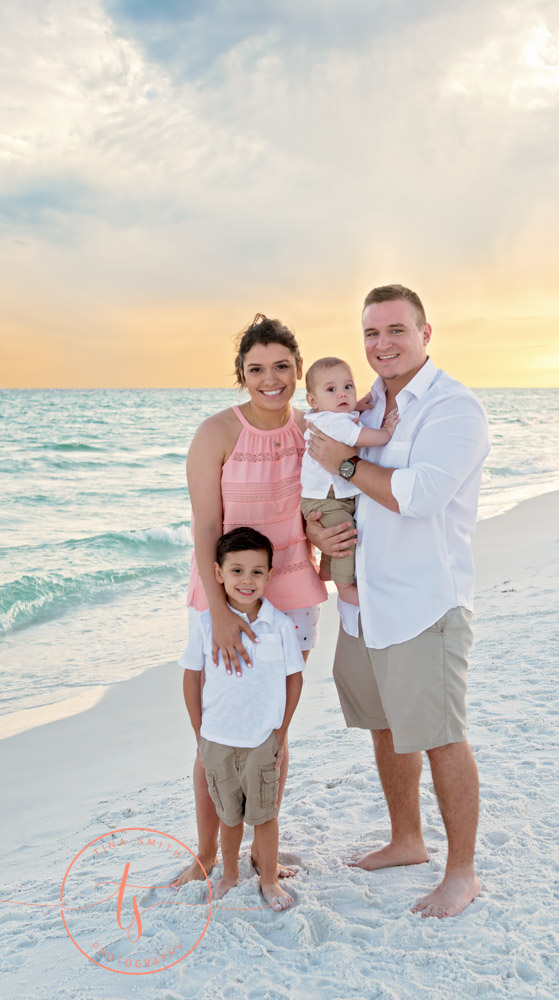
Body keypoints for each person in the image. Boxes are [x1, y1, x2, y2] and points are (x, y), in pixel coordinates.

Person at [306, 284, 490, 919]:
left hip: (422, 603)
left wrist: (347, 464)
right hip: (364, 603)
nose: (382, 344)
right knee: (386, 727)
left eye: (395, 331)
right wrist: (317, 530)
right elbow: (331, 487)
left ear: (425, 333)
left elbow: (420, 496)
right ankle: (407, 840)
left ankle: (461, 873)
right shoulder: (364, 405)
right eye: (370, 334)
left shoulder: (453, 409)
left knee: (440, 735)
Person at [174, 314, 327, 886]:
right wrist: (218, 611)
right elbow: (206, 524)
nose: (271, 379)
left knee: (269, 731)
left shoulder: (313, 431)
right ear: (240, 374)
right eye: (256, 368)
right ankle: (207, 854)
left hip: (293, 591)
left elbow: (330, 503)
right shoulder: (216, 432)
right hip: (227, 593)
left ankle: (264, 852)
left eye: (282, 367)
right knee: (218, 730)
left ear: (298, 370)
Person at [181, 527, 303, 911]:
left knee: (265, 814)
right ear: (218, 573)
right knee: (229, 815)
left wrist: (281, 732)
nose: (246, 581)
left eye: (256, 572)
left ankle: (268, 879)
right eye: (236, 571)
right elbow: (190, 677)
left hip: (262, 740)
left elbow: (294, 679)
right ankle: (229, 873)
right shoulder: (205, 624)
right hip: (216, 740)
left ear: (269, 575)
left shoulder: (280, 625)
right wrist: (199, 731)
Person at [300, 357, 399, 604]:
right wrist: (386, 432)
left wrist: (359, 407)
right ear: (313, 401)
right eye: (331, 389)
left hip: (324, 496)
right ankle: (345, 589)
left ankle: (327, 569)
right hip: (328, 499)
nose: (342, 394)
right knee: (344, 536)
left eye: (348, 387)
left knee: (338, 527)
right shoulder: (333, 421)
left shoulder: (323, 416)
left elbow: (346, 417)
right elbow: (358, 436)